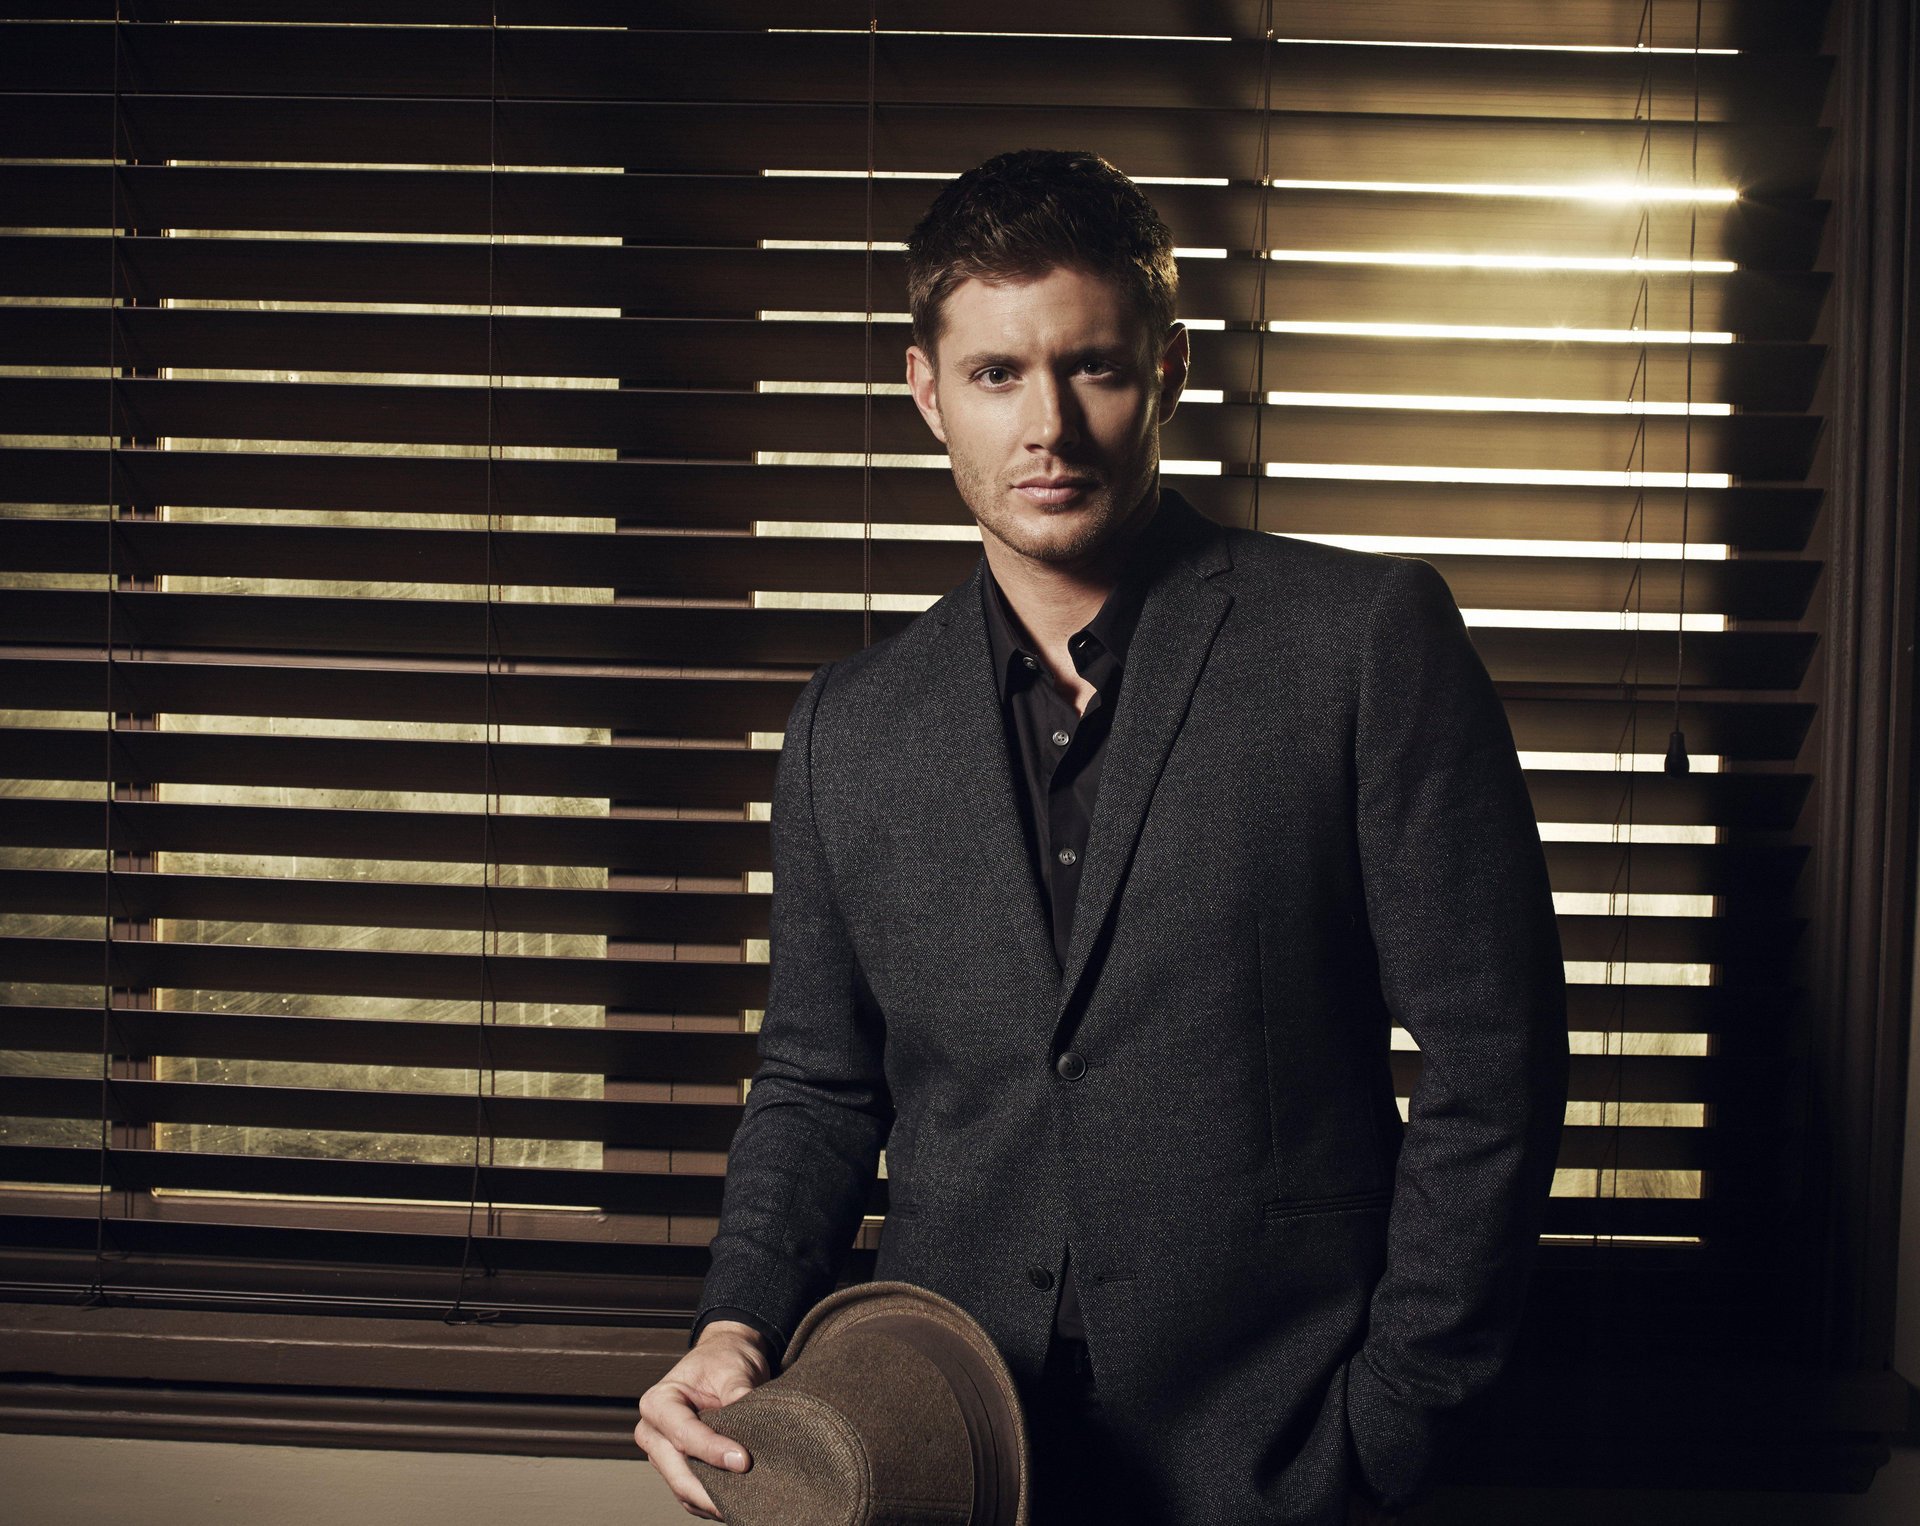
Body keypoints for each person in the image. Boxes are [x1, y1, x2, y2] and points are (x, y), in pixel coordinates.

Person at [636, 148, 1569, 1526]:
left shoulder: (1361, 646)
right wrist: (738, 1325)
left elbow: (1495, 1059)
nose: (1049, 426)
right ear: (926, 392)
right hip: (952, 1447)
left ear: (1169, 370)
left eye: (1094, 367)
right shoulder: (848, 728)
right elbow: (818, 1084)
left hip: (1289, 1447)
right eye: (997, 373)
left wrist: (1393, 1412)